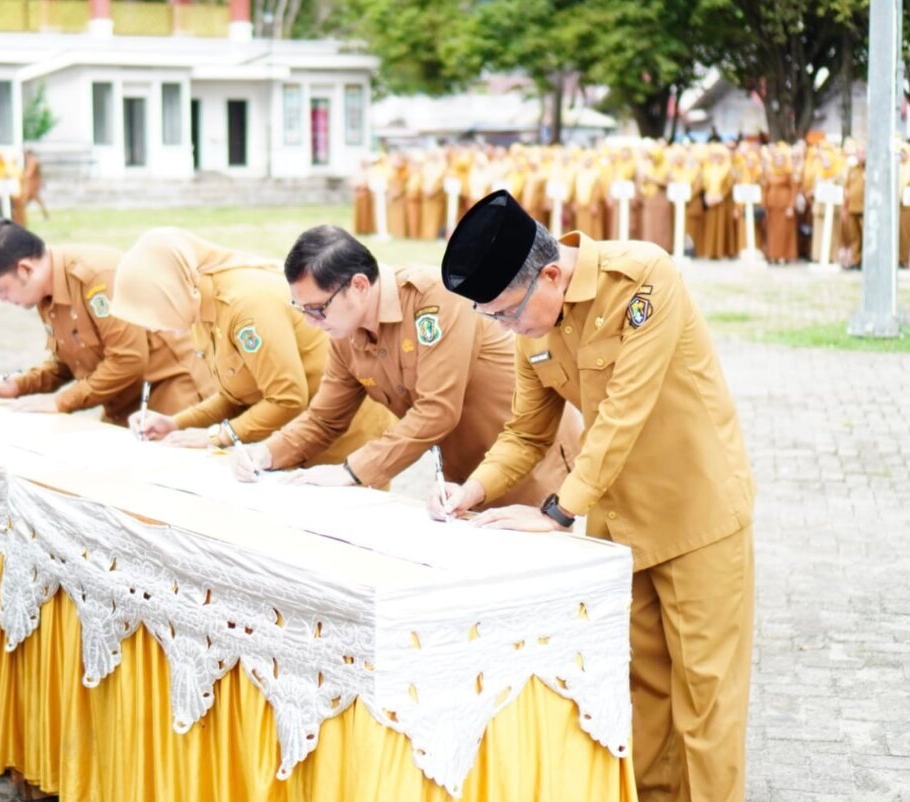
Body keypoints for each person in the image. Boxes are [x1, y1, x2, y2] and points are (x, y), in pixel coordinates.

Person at [431, 190, 755, 802]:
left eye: (504, 313)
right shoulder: (533, 327)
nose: (504, 328)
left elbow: (623, 414)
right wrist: (467, 492)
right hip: (618, 528)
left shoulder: (643, 279)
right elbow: (526, 432)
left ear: (550, 275)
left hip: (697, 517)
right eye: (491, 318)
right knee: (641, 700)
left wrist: (557, 513)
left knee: (706, 706)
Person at [229, 225, 580, 498]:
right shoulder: (344, 333)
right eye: (302, 310)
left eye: (318, 308)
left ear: (360, 285)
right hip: (464, 478)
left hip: (527, 464)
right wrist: (266, 454)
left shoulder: (434, 297)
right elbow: (325, 419)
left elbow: (437, 409)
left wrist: (352, 471)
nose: (311, 321)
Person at [111, 227, 392, 460]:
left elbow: (286, 398)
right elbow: (236, 394)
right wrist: (176, 423)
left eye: (154, 309)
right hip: (297, 437)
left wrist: (218, 436)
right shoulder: (198, 308)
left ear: (174, 289)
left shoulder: (245, 304)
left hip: (342, 434)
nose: (153, 326)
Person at [0, 220, 212, 422]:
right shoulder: (46, 291)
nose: (1, 299)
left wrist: (61, 402)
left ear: (25, 269)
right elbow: (67, 363)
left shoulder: (96, 277)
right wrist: (17, 385)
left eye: (0, 289)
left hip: (173, 390)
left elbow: (128, 359)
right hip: (126, 401)